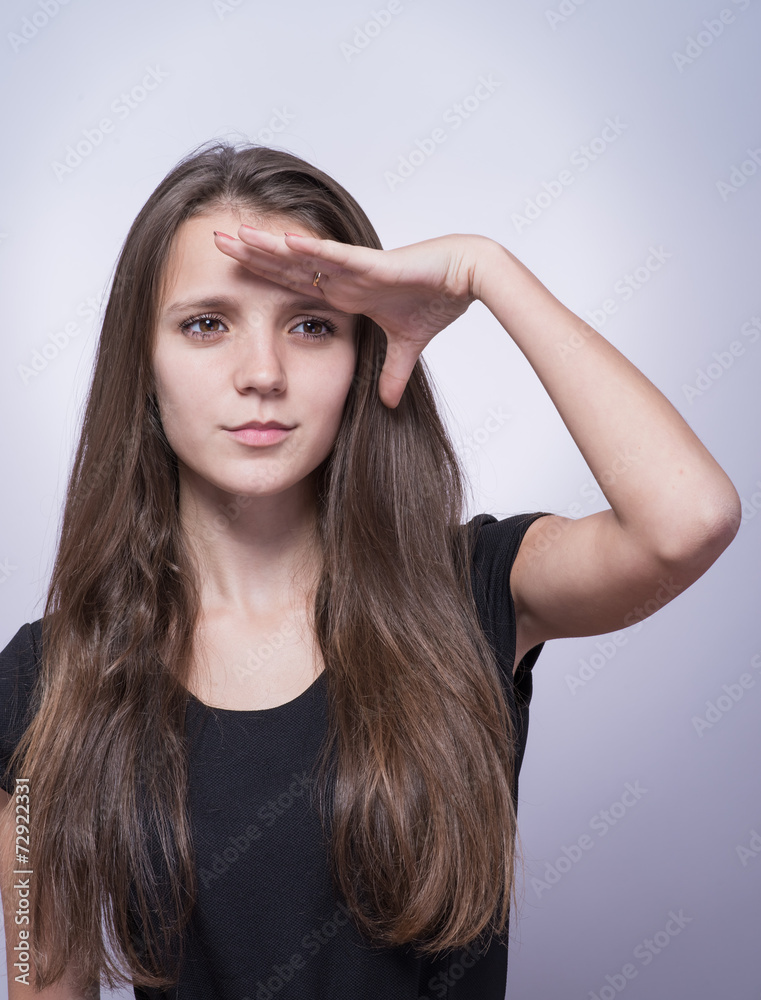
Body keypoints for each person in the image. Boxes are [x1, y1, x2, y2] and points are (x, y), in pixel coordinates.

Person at [0, 140, 740, 1000]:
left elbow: (690, 518)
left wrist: (483, 270)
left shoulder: (467, 592)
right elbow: (37, 974)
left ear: (361, 355)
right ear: (143, 362)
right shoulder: (46, 682)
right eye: (207, 324)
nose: (263, 375)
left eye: (310, 325)